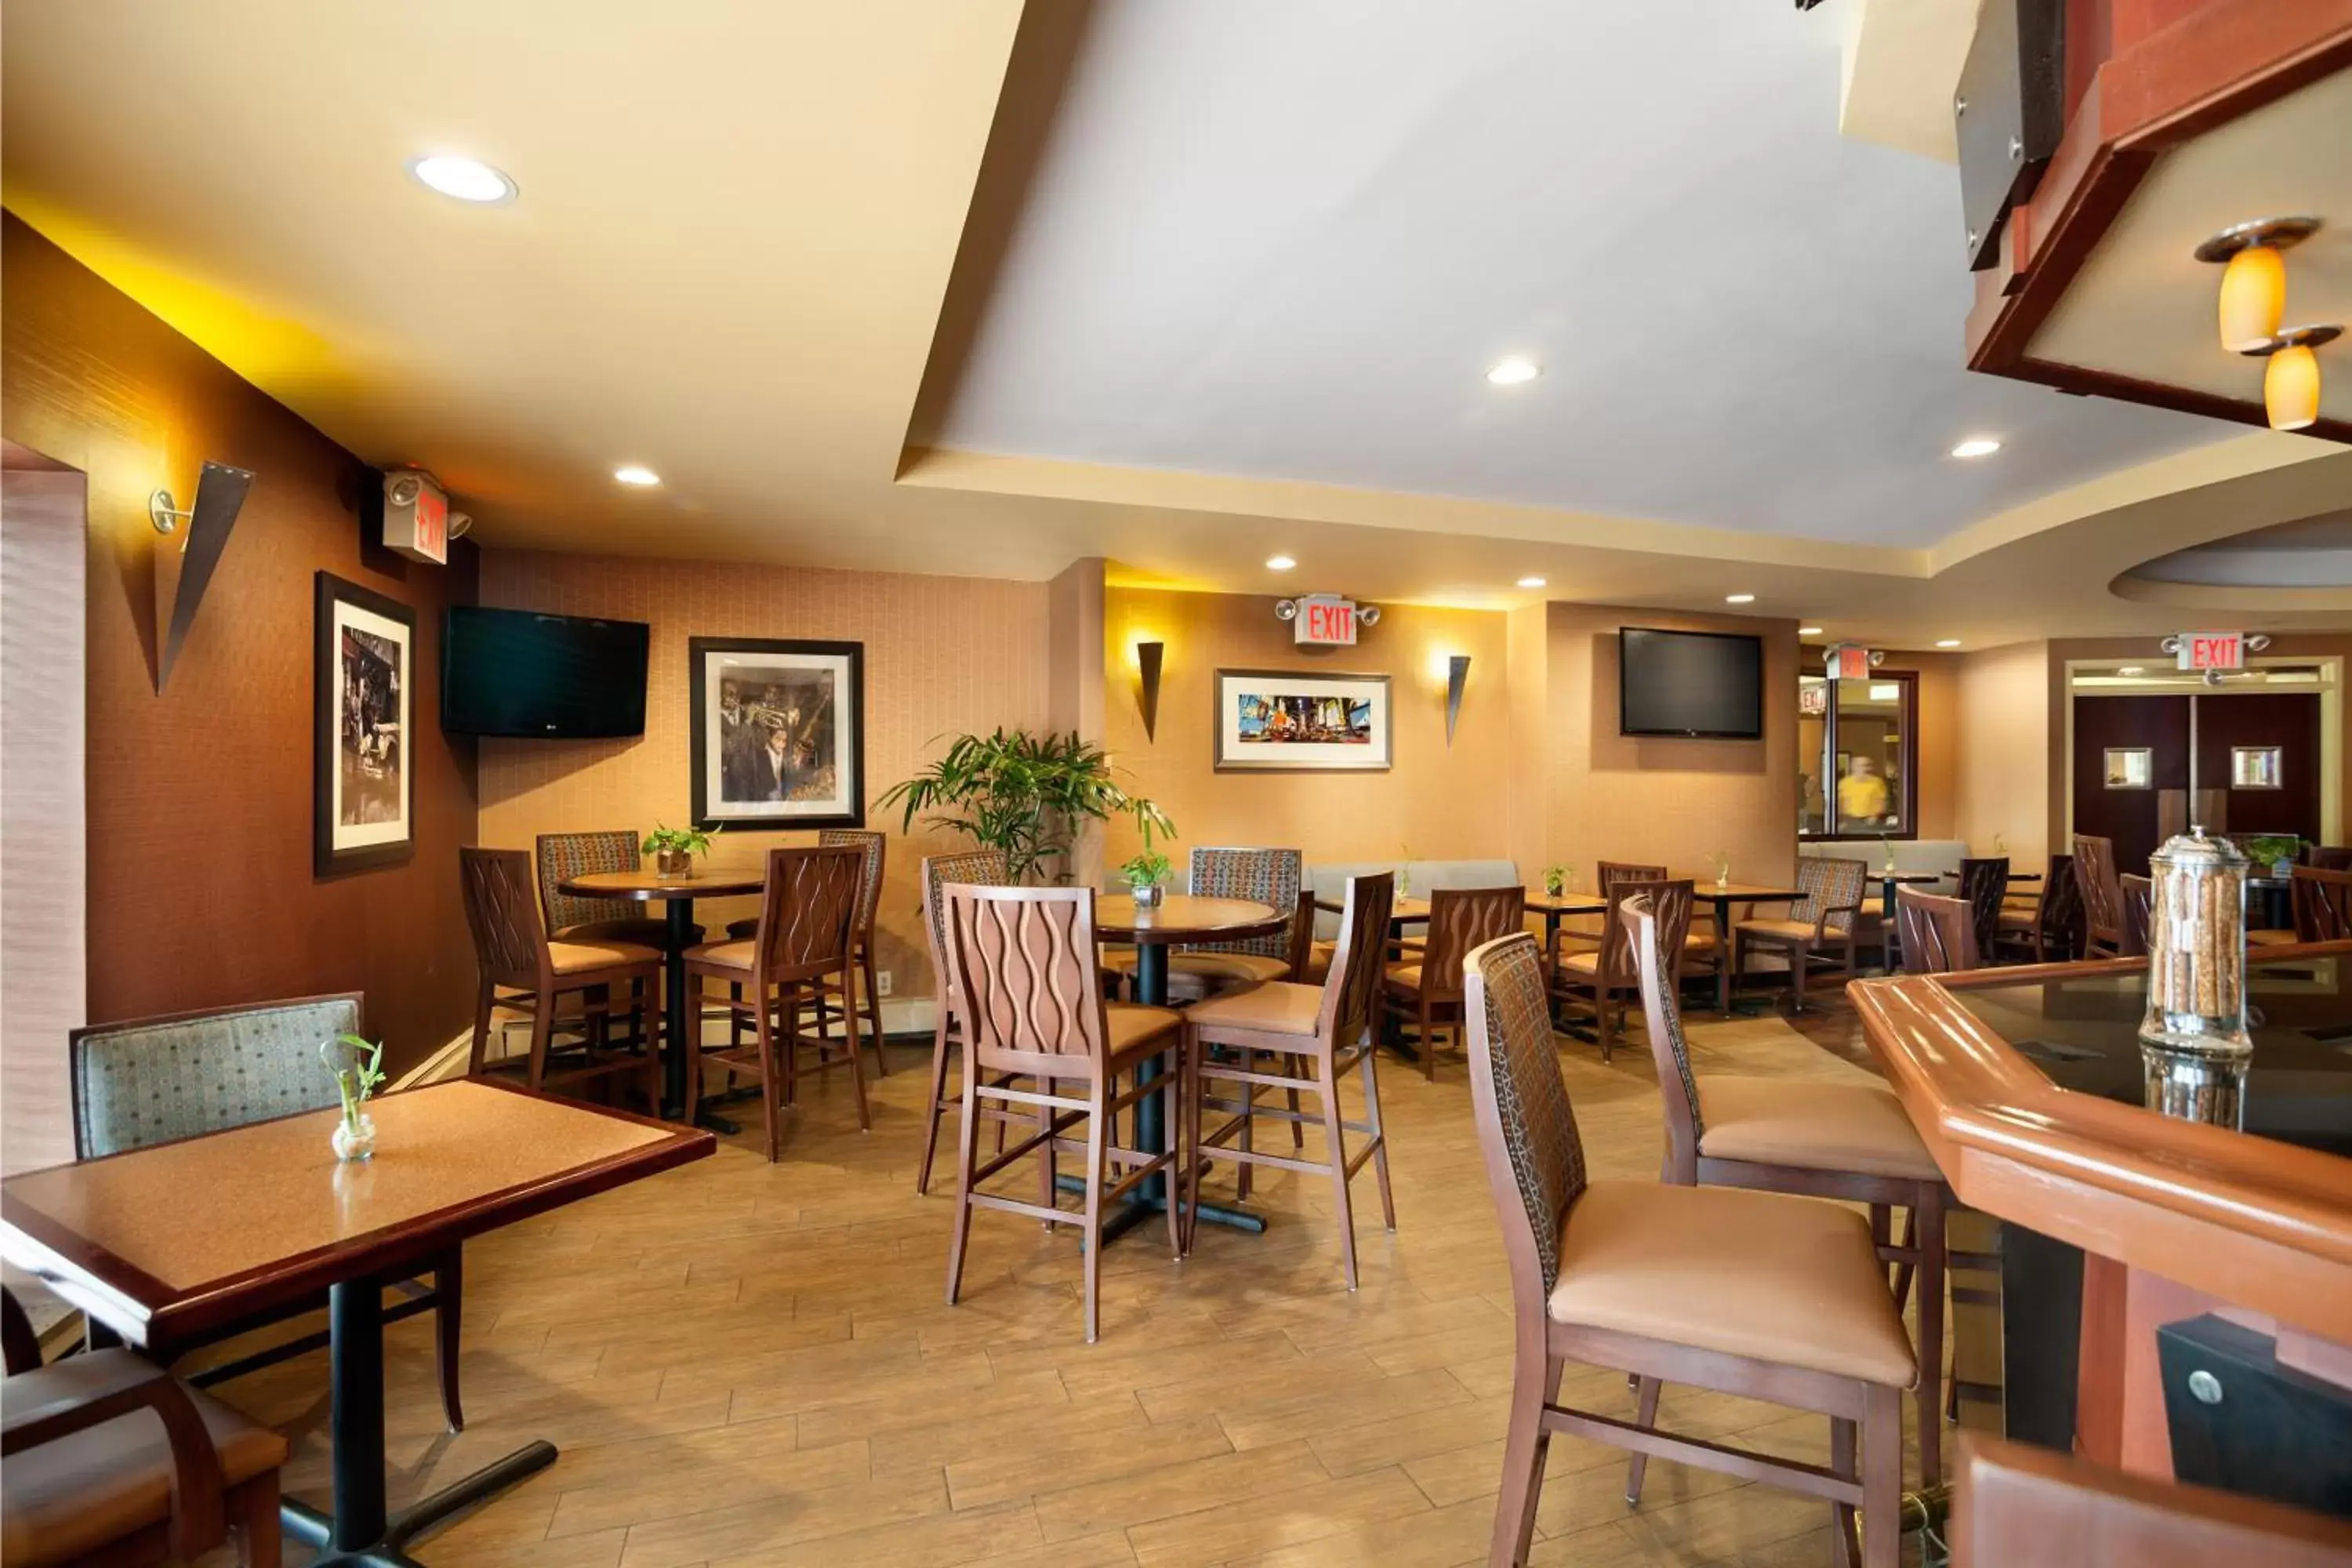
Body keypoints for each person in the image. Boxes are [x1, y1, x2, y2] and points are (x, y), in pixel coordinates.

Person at [1837, 755, 1889, 831]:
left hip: (1870, 822)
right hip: (1849, 820)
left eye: (1867, 765)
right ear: (1853, 767)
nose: (1865, 768)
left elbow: (1882, 802)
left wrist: (1875, 817)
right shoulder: (1845, 783)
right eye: (1861, 766)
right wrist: (1841, 821)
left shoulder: (1877, 782)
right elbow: (1840, 803)